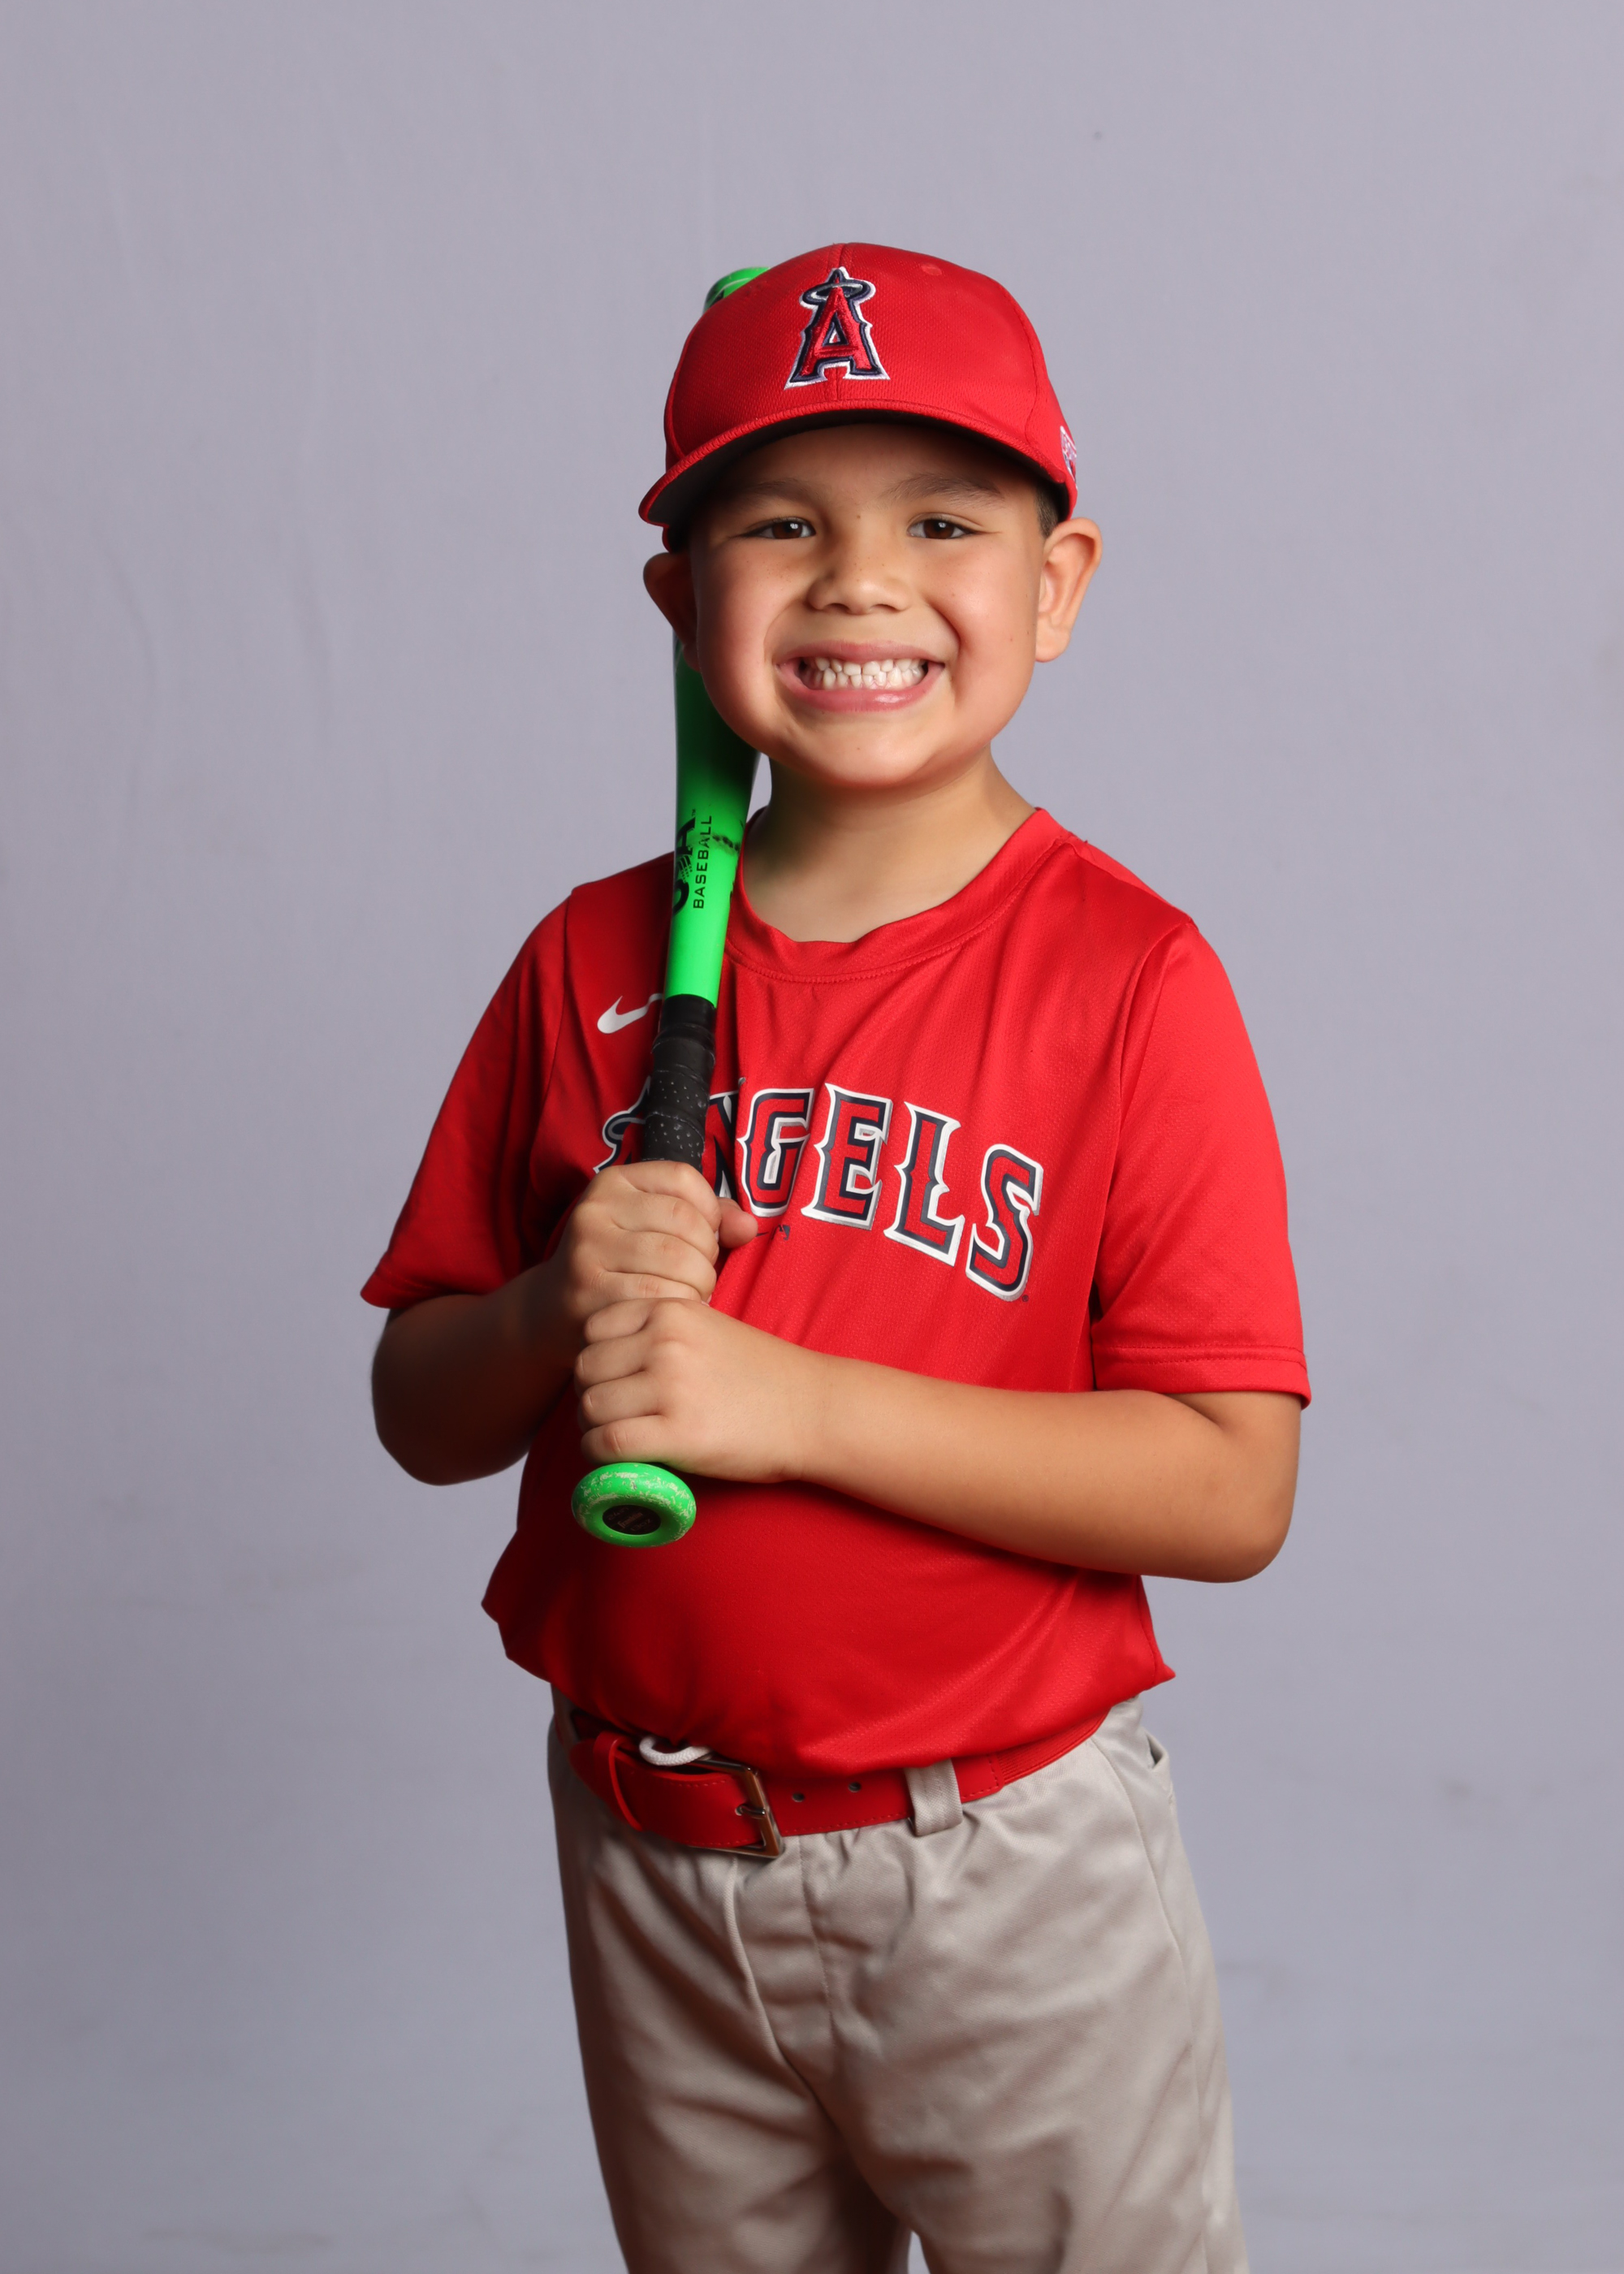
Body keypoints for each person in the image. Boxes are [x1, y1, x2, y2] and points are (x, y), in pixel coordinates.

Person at [365, 242, 1309, 2274]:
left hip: (1003, 1868)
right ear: (678, 602)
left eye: (941, 522)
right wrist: (549, 1304)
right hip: (649, 1849)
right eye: (780, 524)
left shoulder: (1130, 976)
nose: (861, 581)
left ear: (1056, 584)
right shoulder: (588, 959)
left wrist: (791, 1404)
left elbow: (1230, 1486)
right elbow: (420, 1407)